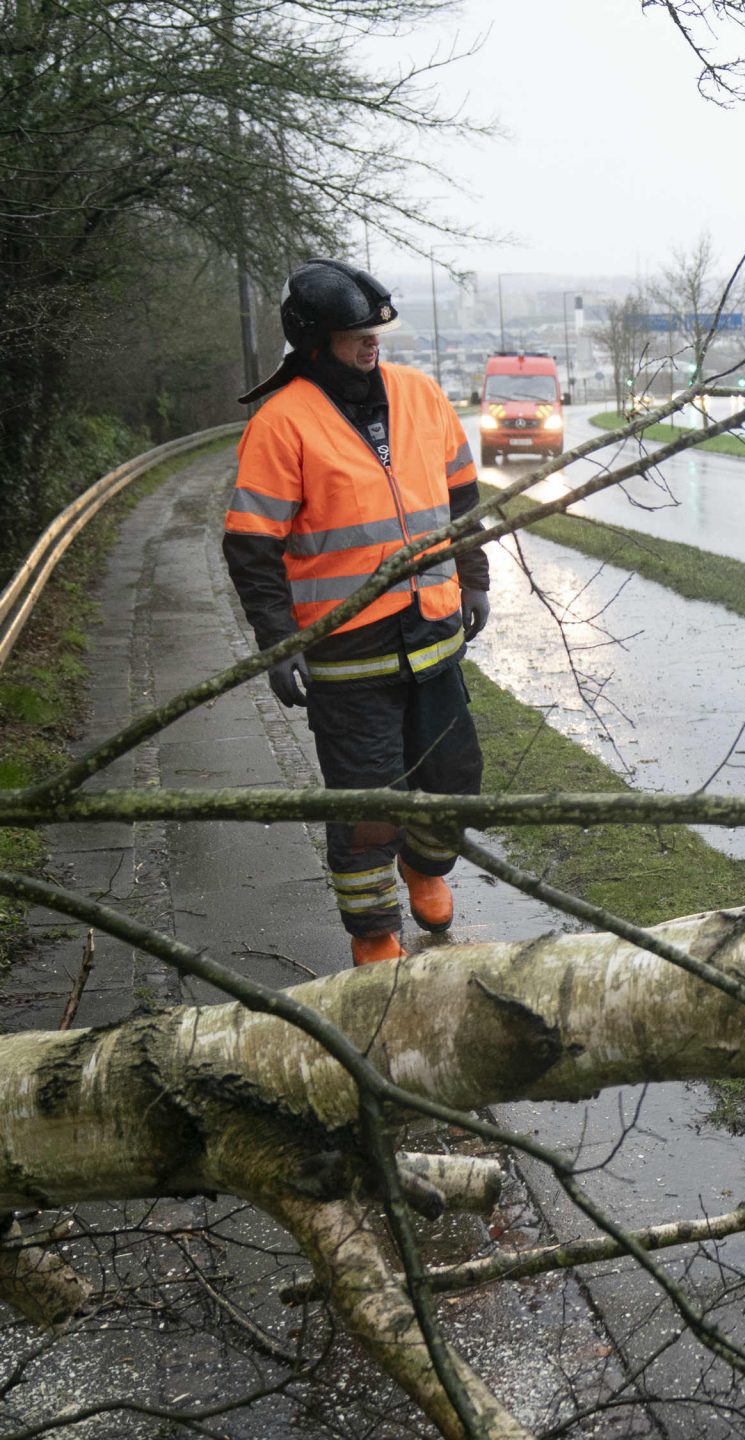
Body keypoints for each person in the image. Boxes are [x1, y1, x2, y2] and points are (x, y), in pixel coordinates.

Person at [224, 259, 492, 967]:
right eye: (354, 334)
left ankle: (426, 868)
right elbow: (252, 546)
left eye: (375, 332)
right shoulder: (281, 424)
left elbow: (461, 497)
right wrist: (278, 644)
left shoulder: (421, 395)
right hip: (347, 651)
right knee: (369, 802)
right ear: (314, 340)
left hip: (433, 633)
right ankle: (374, 932)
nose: (371, 344)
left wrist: (475, 577)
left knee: (453, 777)